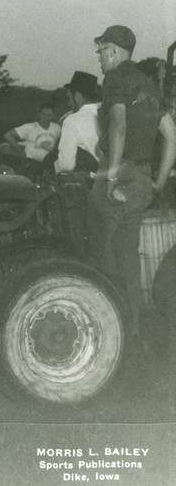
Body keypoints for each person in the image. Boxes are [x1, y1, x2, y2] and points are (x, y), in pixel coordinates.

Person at [89, 25, 176, 343]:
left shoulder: (115, 79)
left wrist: (111, 176)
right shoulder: (150, 85)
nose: (99, 57)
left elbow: (119, 125)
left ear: (113, 51)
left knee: (99, 251)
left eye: (101, 50)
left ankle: (102, 329)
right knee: (127, 254)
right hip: (141, 179)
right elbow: (172, 138)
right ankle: (133, 327)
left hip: (117, 174)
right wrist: (158, 182)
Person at [0, 104, 61, 176]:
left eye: (49, 115)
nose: (45, 117)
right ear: (39, 114)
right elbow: (8, 135)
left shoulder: (57, 128)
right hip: (32, 162)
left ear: (53, 116)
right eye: (43, 114)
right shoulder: (30, 127)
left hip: (51, 162)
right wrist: (20, 151)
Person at [54, 71, 101, 174]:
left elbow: (66, 166)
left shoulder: (72, 121)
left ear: (78, 96)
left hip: (88, 181)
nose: (69, 103)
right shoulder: (107, 114)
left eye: (69, 98)